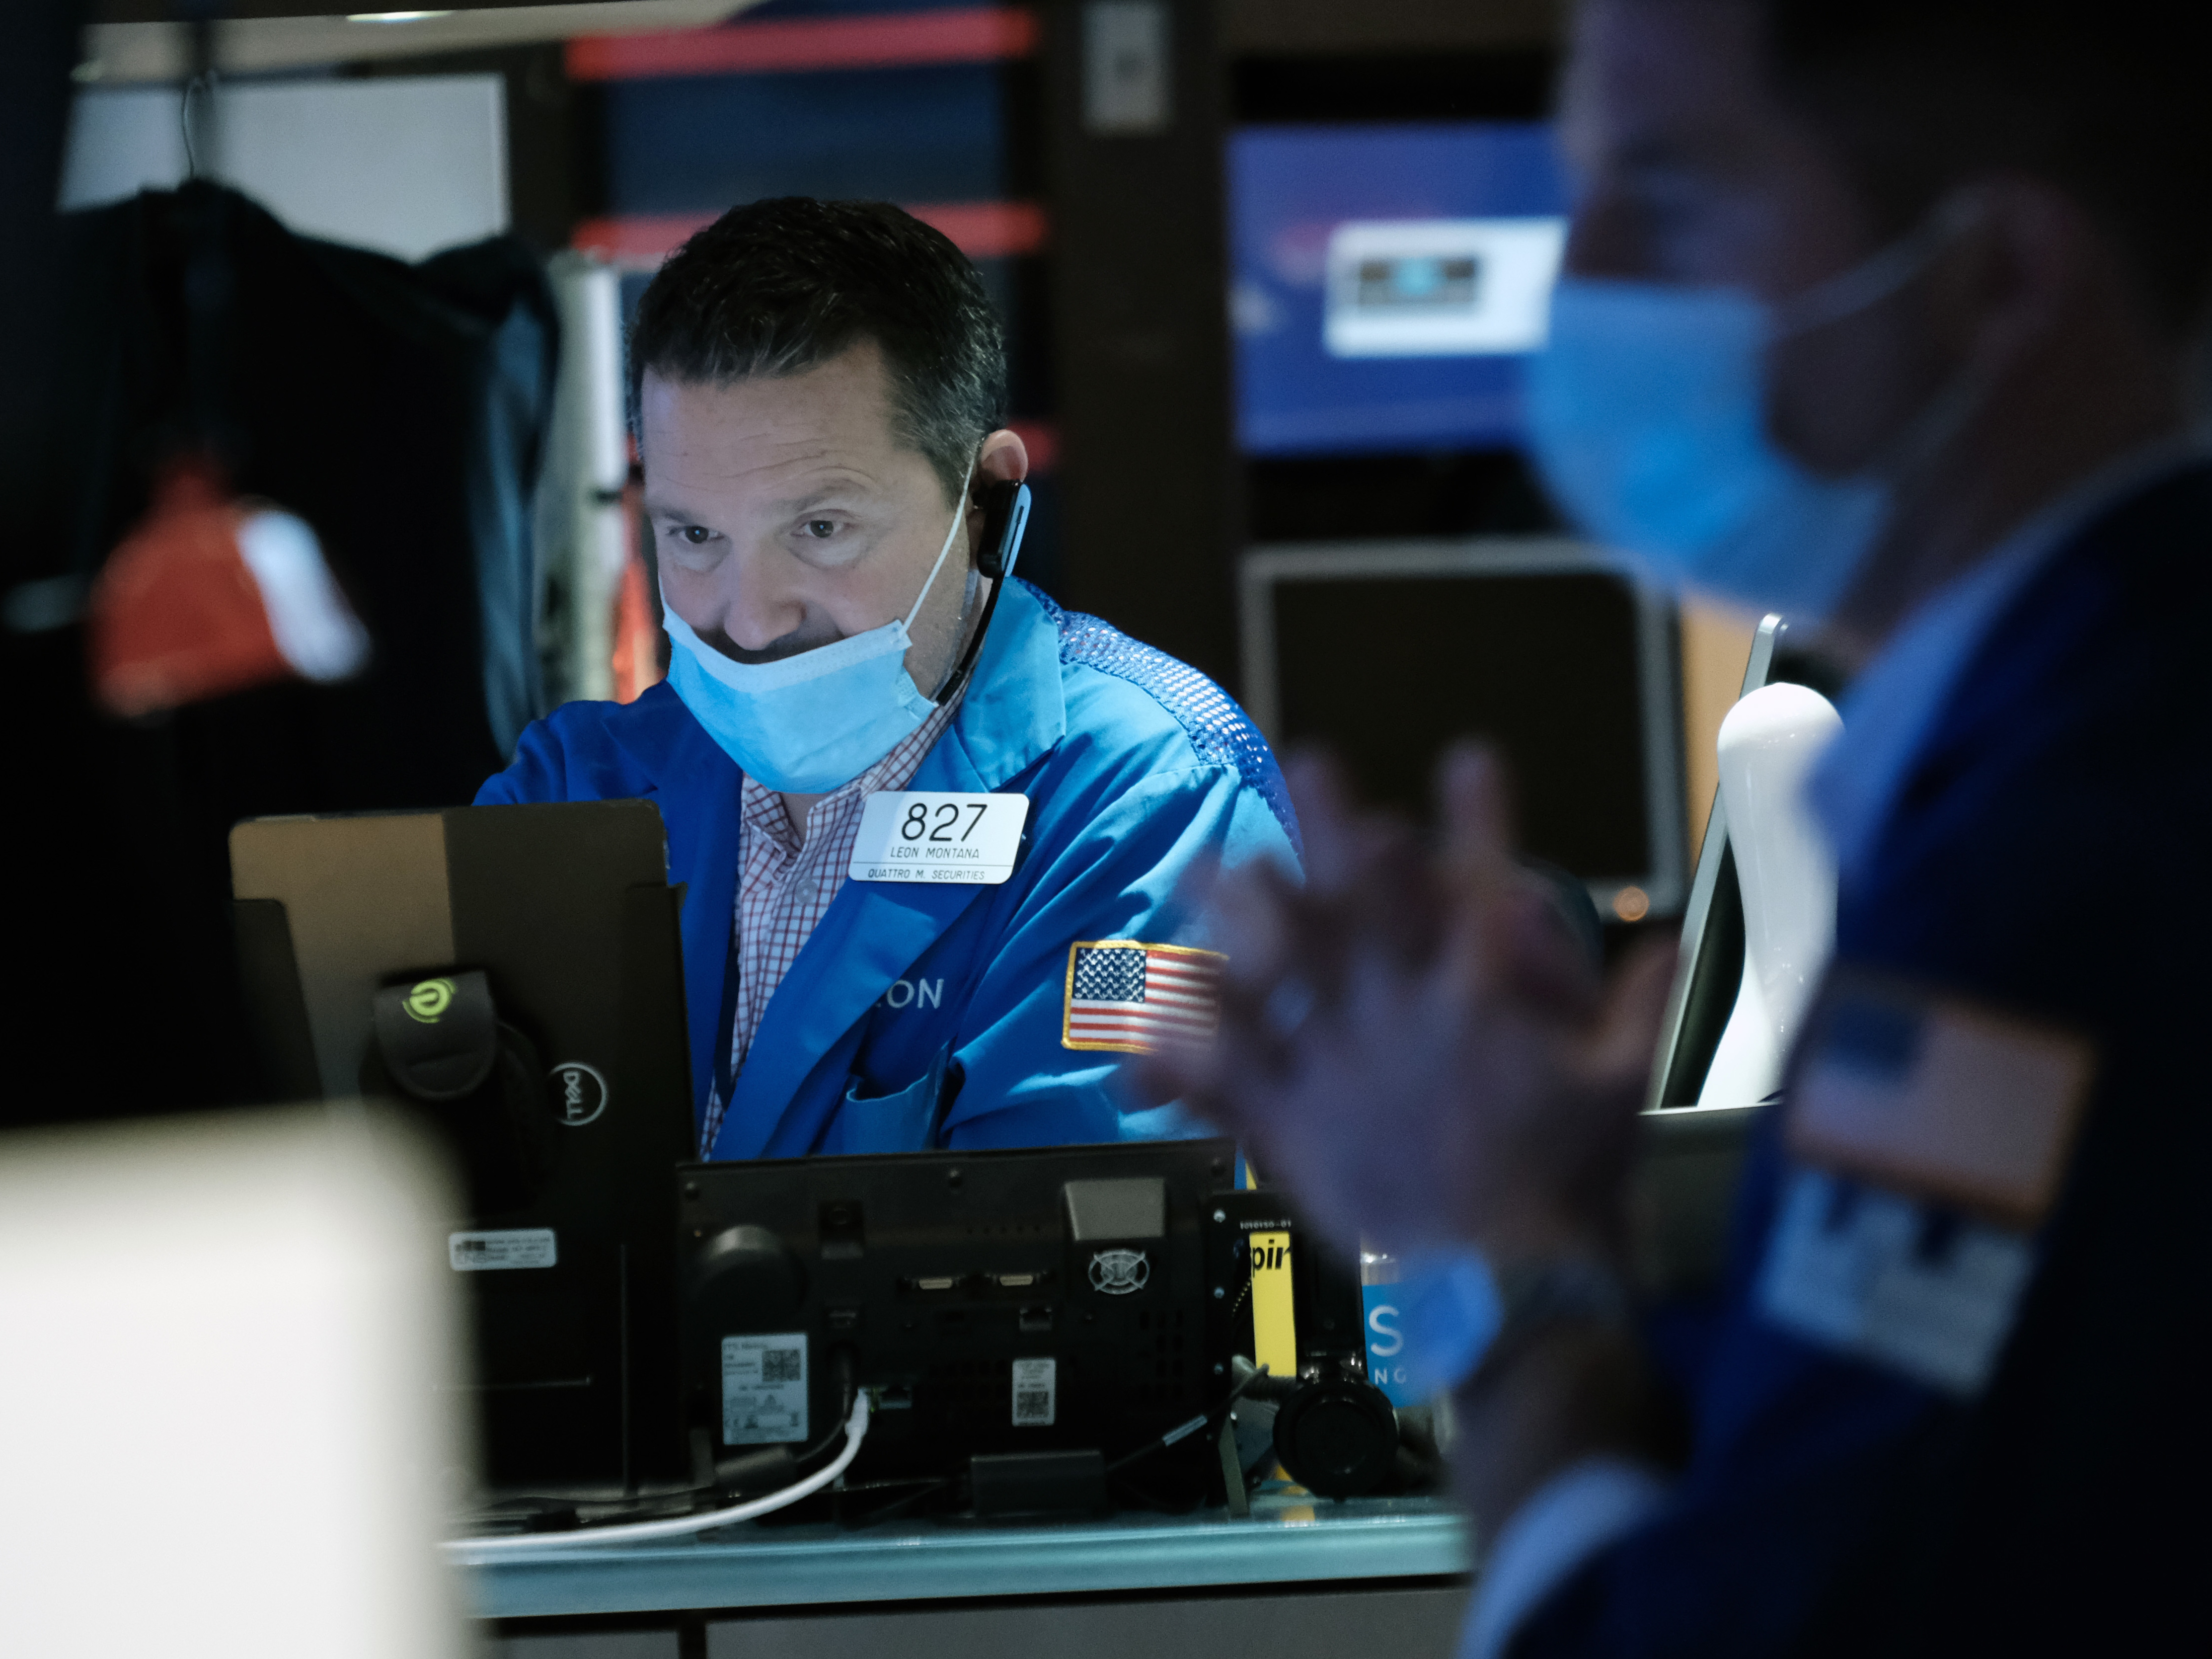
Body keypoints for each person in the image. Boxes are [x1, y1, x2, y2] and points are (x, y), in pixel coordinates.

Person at [1146, 0, 2212, 1653]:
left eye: (1670, 193)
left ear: (1992, 279)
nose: (1584, 276)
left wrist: (1478, 1242)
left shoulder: (2057, 854)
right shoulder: (2056, 749)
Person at [482, 198, 1298, 1161]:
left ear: (986, 498)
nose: (751, 619)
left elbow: (1094, 1259)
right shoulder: (580, 786)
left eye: (820, 528)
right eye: (694, 534)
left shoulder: (1145, 801)